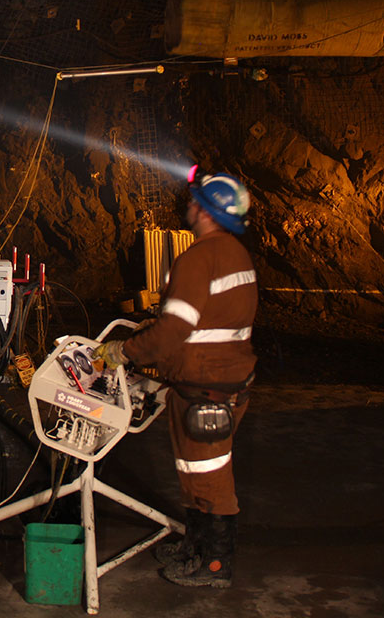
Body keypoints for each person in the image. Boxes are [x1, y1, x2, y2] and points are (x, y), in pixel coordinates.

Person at [96, 170, 258, 588]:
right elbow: (210, 321)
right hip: (222, 382)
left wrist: (123, 352)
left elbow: (175, 330)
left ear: (206, 211)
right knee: (195, 470)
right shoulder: (235, 253)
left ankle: (215, 564)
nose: (189, 205)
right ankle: (195, 547)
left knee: (209, 475)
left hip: (206, 387)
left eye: (195, 201)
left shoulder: (198, 258)